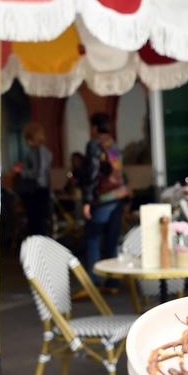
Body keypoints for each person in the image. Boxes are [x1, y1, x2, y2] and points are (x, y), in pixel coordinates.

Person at [80, 112, 130, 283]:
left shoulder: (94, 145)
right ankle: (113, 281)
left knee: (93, 239)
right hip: (118, 197)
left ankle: (94, 280)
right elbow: (120, 172)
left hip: (102, 198)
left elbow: (92, 173)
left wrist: (87, 200)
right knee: (112, 240)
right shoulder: (113, 145)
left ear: (94, 127)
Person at [17, 122, 53, 238]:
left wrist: (22, 172)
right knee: (35, 222)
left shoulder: (39, 151)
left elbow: (39, 172)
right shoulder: (36, 151)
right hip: (36, 190)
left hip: (37, 191)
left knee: (36, 223)